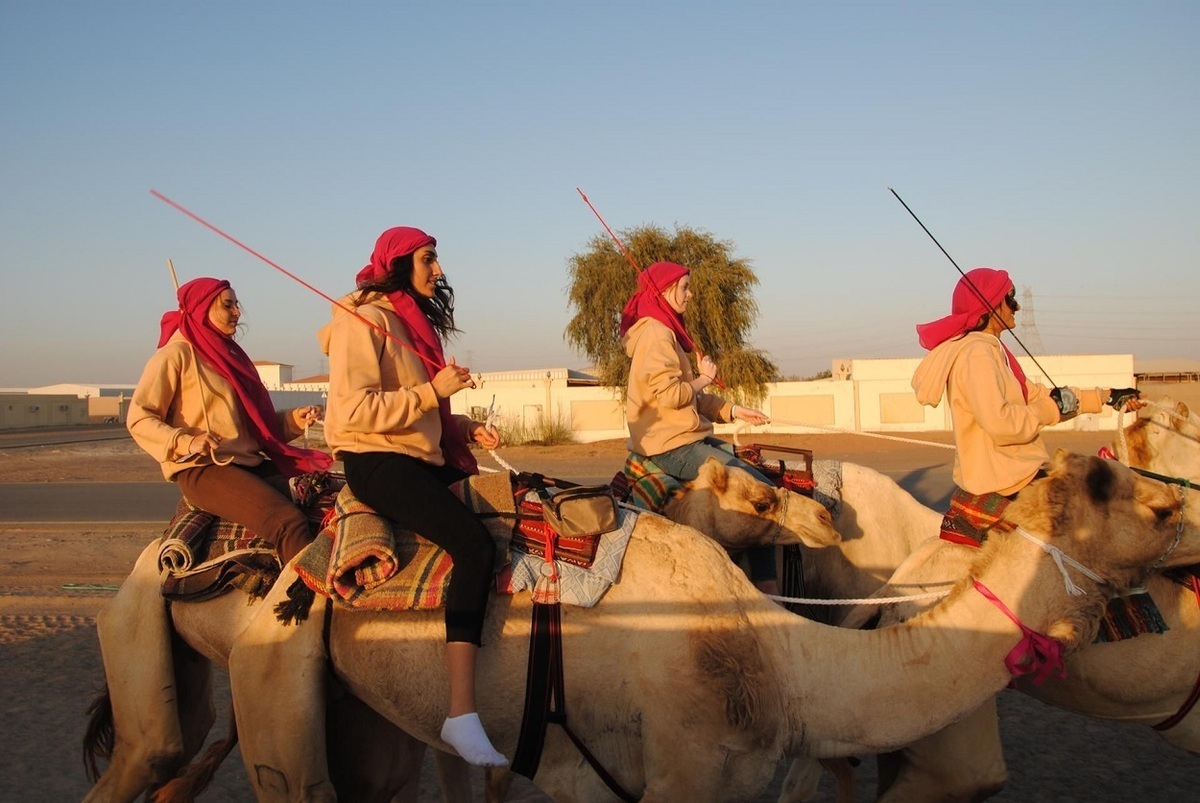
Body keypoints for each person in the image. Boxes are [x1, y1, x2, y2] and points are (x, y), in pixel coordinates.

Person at [318, 226, 507, 767]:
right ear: (399, 264)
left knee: (516, 505)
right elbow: (352, 412)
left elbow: (420, 411)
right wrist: (433, 391)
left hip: (420, 456)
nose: (439, 271)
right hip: (377, 461)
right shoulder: (364, 320)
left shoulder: (410, 321)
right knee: (473, 546)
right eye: (429, 259)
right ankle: (461, 714)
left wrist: (463, 426)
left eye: (438, 260)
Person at [911, 267, 1144, 540]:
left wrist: (1106, 397)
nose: (1017, 306)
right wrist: (1050, 409)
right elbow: (1003, 424)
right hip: (1004, 480)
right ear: (989, 305)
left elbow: (1038, 398)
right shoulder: (977, 354)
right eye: (1009, 298)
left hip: (1017, 472)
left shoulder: (992, 349)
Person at [127, 278, 333, 566]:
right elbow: (139, 418)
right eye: (228, 305)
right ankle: (305, 605)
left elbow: (250, 428)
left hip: (248, 463)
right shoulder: (176, 355)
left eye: (237, 304)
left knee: (328, 500)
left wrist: (293, 420)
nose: (237, 312)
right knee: (288, 524)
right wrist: (187, 441)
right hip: (204, 468)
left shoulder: (229, 358)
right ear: (202, 308)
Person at [620, 260, 778, 590]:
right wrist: (704, 378)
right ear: (664, 292)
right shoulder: (657, 335)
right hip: (673, 446)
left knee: (759, 478)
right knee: (760, 493)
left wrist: (735, 411)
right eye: (684, 288)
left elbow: (690, 400)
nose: (690, 295)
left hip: (686, 438)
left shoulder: (665, 333)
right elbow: (670, 396)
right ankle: (767, 590)